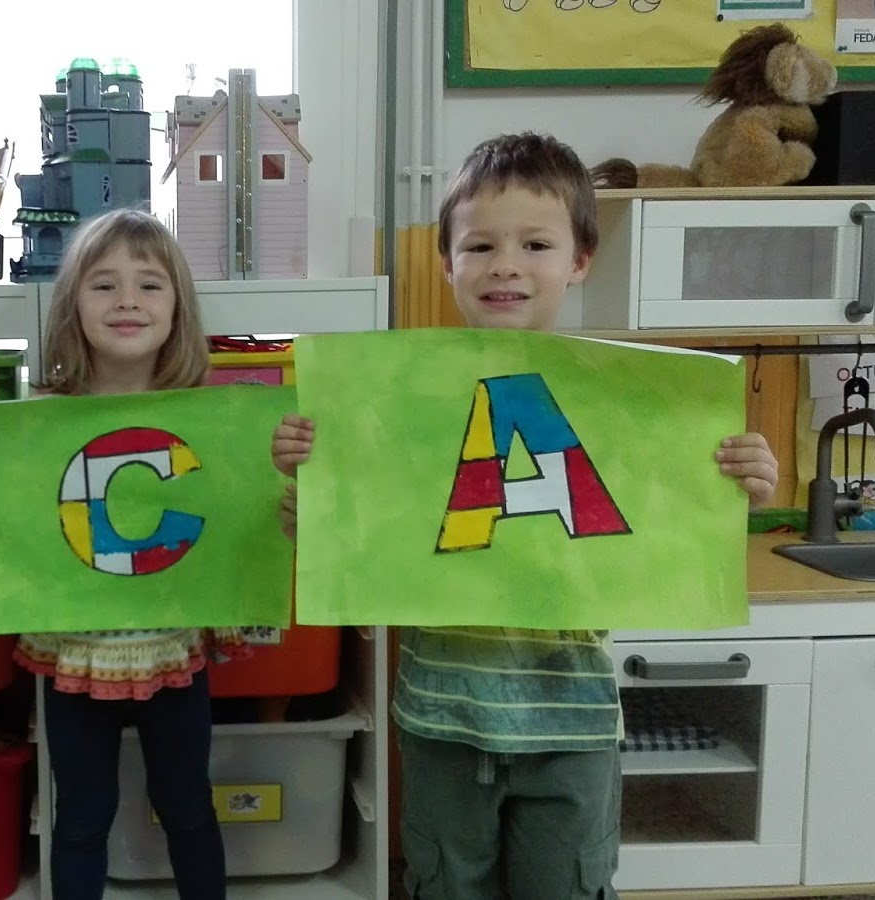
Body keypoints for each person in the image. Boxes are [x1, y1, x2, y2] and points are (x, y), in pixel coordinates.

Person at [270, 132, 780, 900]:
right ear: (447, 263)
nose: (505, 264)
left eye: (535, 244)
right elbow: (359, 536)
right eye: (480, 245)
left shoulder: (622, 402)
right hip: (442, 719)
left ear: (580, 260)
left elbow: (671, 518)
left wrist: (739, 483)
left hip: (571, 725)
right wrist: (314, 500)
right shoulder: (399, 402)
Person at [0, 208, 244, 900]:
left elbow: (246, 511)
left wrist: (286, 471)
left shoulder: (212, 421)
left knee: (188, 804)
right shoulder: (37, 415)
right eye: (104, 285)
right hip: (73, 654)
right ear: (73, 305)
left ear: (177, 309)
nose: (127, 300)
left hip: (173, 645)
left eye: (149, 285)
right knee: (80, 814)